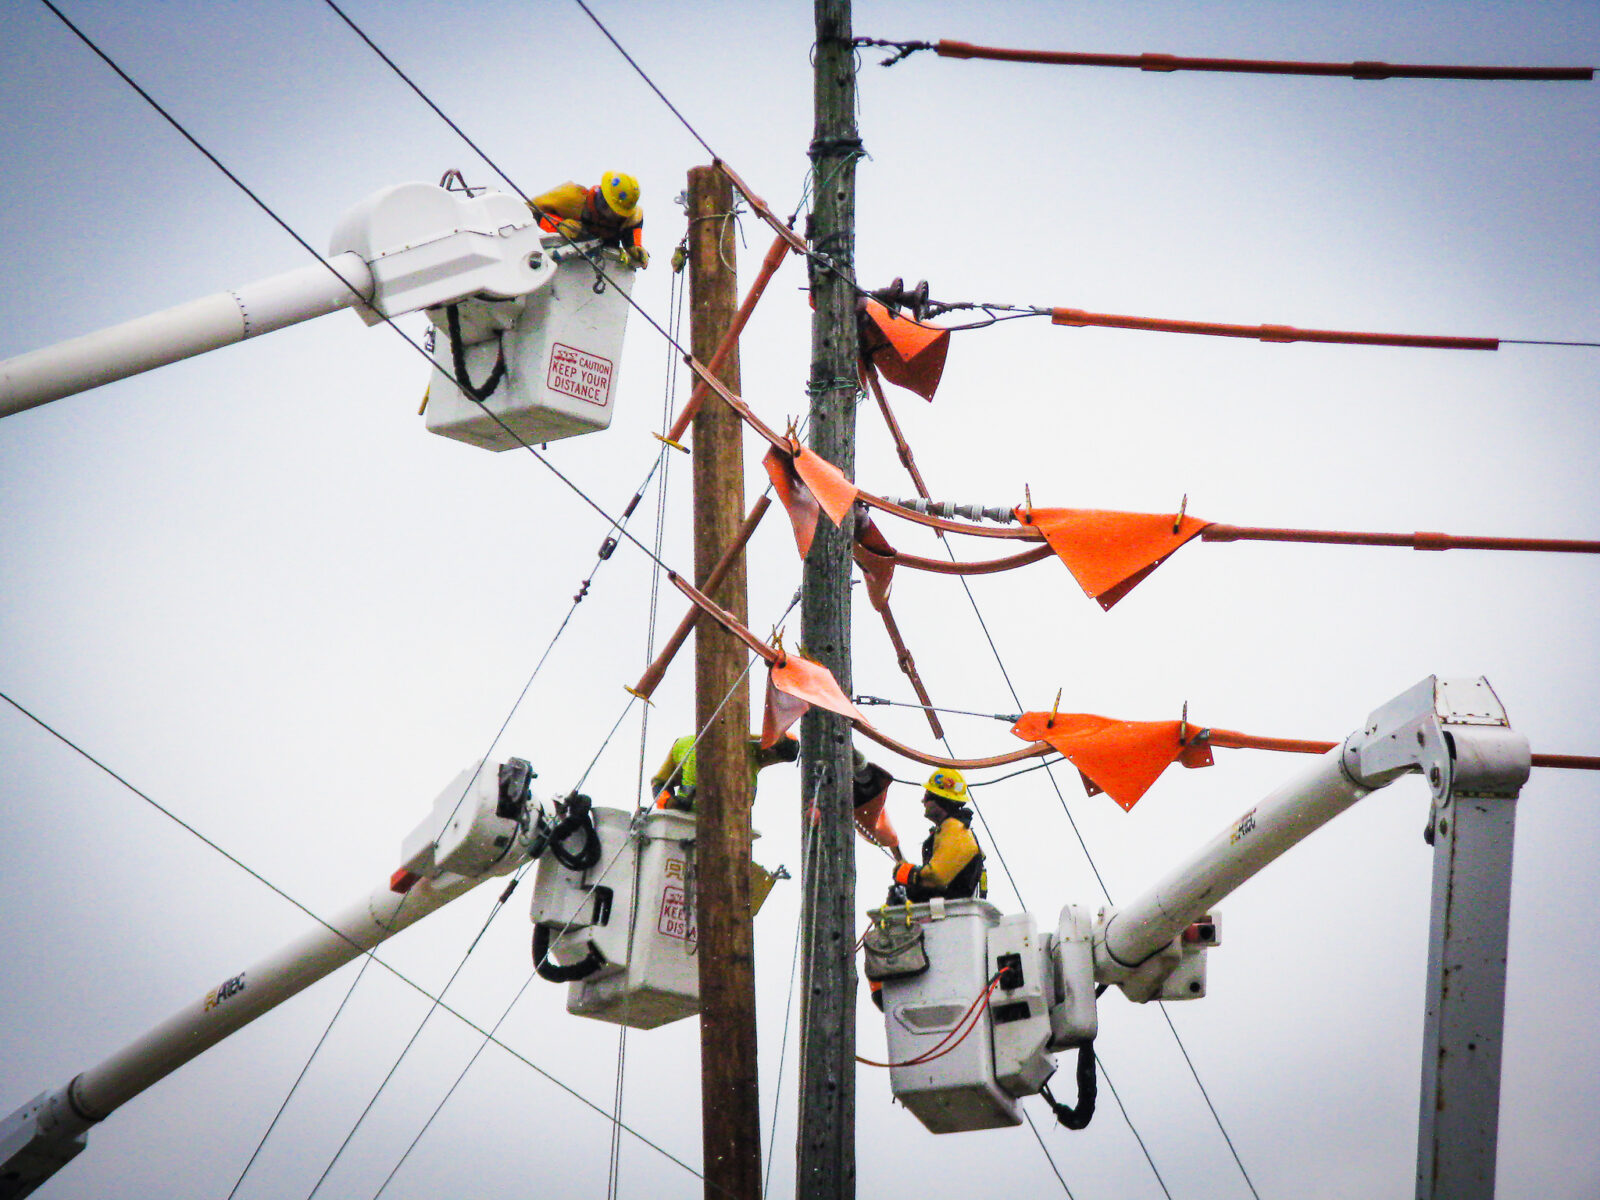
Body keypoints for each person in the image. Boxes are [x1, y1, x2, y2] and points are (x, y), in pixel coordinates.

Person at [890, 768, 986, 902]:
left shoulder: (956, 831)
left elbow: (936, 877)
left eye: (927, 796)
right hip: (947, 911)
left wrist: (908, 872)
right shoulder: (950, 830)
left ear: (940, 800)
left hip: (949, 914)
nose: (923, 801)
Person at [650, 731, 798, 812]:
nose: (773, 762)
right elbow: (659, 782)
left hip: (724, 837)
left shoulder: (754, 761)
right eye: (777, 758)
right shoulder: (688, 745)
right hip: (683, 825)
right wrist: (669, 802)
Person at [529, 171, 648, 267]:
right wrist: (559, 225)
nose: (612, 218)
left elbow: (633, 227)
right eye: (611, 211)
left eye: (619, 214)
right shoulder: (571, 197)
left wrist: (634, 246)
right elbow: (529, 211)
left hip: (601, 266)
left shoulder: (631, 216)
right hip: (566, 262)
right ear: (602, 199)